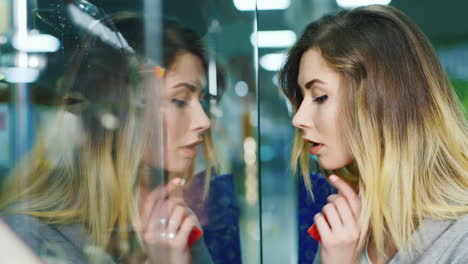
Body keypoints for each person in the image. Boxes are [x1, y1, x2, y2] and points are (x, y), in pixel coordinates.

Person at [0, 10, 232, 264]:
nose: (204, 121)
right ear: (116, 114)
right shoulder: (32, 237)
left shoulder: (177, 227)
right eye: (178, 100)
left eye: (203, 101)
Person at [279, 4, 468, 264]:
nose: (298, 119)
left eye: (320, 97)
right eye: (301, 100)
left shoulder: (461, 238)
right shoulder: (348, 222)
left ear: (384, 101)